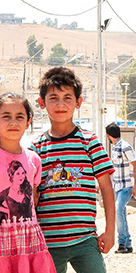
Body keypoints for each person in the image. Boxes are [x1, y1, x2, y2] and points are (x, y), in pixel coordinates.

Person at [29, 67, 115, 273]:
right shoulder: (36, 149)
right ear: (42, 103)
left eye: (68, 97)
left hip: (85, 240)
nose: (61, 104)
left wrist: (110, 230)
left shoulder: (90, 141)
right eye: (54, 98)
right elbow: (31, 196)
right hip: (47, 242)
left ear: (78, 103)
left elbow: (106, 188)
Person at [0, 92, 56, 273]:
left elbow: (33, 198)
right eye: (6, 117)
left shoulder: (34, 159)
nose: (13, 122)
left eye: (19, 117)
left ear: (28, 122)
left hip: (28, 238)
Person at [105, 122, 136, 254]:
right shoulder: (115, 148)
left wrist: (135, 186)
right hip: (117, 186)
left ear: (108, 135)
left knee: (118, 210)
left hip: (127, 186)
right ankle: (125, 244)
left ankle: (124, 242)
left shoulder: (125, 147)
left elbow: (135, 165)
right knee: (119, 212)